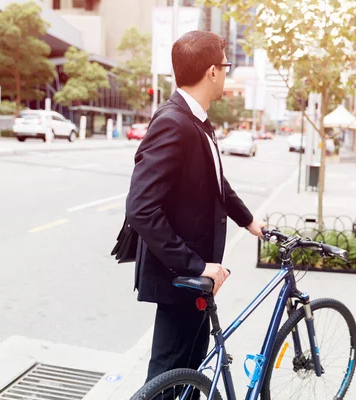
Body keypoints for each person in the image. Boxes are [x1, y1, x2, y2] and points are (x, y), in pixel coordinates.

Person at [125, 30, 266, 384]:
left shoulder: (197, 120)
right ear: (212, 72)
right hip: (181, 276)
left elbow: (216, 183)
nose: (226, 72)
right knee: (167, 378)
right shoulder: (173, 122)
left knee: (189, 371)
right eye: (225, 65)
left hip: (198, 276)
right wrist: (196, 266)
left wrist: (249, 221)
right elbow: (141, 207)